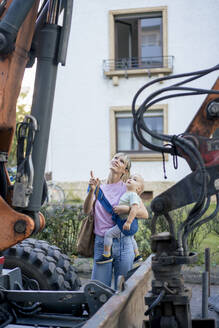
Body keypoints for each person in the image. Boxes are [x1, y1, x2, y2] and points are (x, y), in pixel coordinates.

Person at [83, 153, 148, 289]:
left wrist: (126, 209)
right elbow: (86, 210)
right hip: (102, 243)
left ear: (125, 170)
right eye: (115, 158)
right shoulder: (97, 186)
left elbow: (144, 213)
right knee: (98, 290)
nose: (117, 161)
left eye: (121, 161)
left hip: (124, 244)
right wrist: (92, 191)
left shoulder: (128, 187)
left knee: (122, 290)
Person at [95, 173, 144, 268]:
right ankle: (137, 255)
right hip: (124, 221)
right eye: (130, 178)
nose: (130, 179)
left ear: (138, 189)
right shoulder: (128, 193)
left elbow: (135, 209)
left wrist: (128, 221)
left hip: (124, 222)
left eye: (134, 180)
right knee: (131, 237)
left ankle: (106, 255)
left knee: (108, 234)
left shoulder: (133, 195)